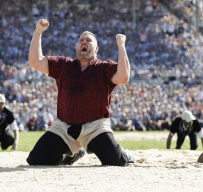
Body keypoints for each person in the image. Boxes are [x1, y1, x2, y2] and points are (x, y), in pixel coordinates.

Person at [26, 19, 133, 166]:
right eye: (81, 40)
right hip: (64, 128)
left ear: (96, 48)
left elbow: (123, 77)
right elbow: (35, 62)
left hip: (95, 127)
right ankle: (69, 157)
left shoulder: (104, 67)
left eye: (89, 40)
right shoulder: (64, 65)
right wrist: (38, 32)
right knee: (35, 159)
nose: (84, 42)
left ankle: (124, 154)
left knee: (116, 161)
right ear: (77, 46)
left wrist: (121, 47)